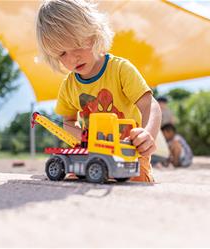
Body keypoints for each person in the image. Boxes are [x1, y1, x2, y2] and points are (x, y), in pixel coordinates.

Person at [36, 0, 161, 182]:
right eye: (62, 54)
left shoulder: (120, 70)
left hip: (129, 152)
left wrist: (148, 133)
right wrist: (85, 139)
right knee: (73, 181)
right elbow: (68, 122)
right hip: (93, 155)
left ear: (94, 34)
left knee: (135, 184)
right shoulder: (69, 85)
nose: (72, 58)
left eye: (77, 44)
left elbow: (149, 104)